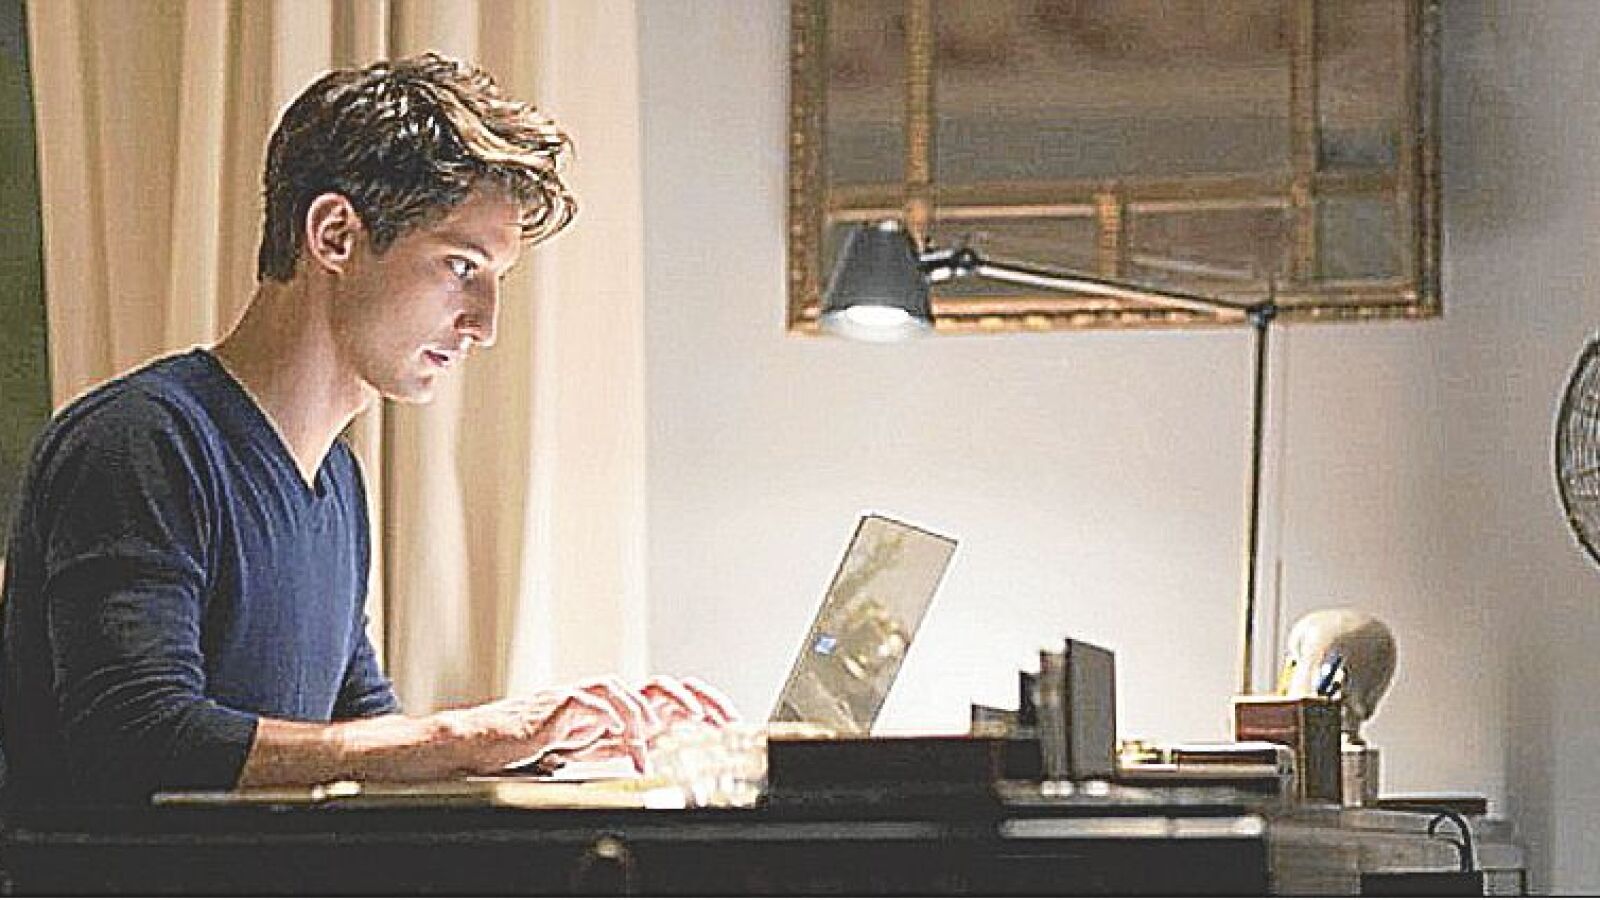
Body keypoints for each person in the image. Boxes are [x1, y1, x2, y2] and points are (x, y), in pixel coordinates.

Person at [0, 53, 730, 804]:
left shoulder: (336, 479)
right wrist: (465, 737)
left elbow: (365, 734)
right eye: (461, 266)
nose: (484, 324)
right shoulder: (139, 444)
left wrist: (548, 748)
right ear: (335, 235)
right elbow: (140, 742)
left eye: (496, 281)